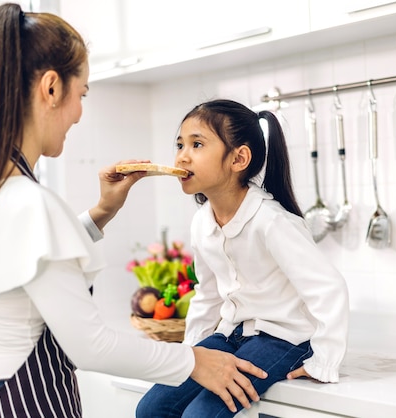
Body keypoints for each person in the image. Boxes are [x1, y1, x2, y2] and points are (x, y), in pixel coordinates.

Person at [0, 5, 267, 417]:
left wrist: (101, 212)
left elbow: (18, 265)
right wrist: (195, 362)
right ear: (52, 88)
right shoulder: (30, 202)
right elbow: (92, 346)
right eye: (82, 94)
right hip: (23, 405)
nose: (79, 113)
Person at [136, 99, 350, 418]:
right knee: (152, 408)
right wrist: (191, 354)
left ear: (239, 158)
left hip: (283, 339)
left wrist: (324, 361)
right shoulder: (202, 222)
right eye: (179, 144)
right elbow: (207, 295)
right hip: (229, 334)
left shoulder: (271, 221)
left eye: (197, 144)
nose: (182, 155)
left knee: (200, 415)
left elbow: (328, 289)